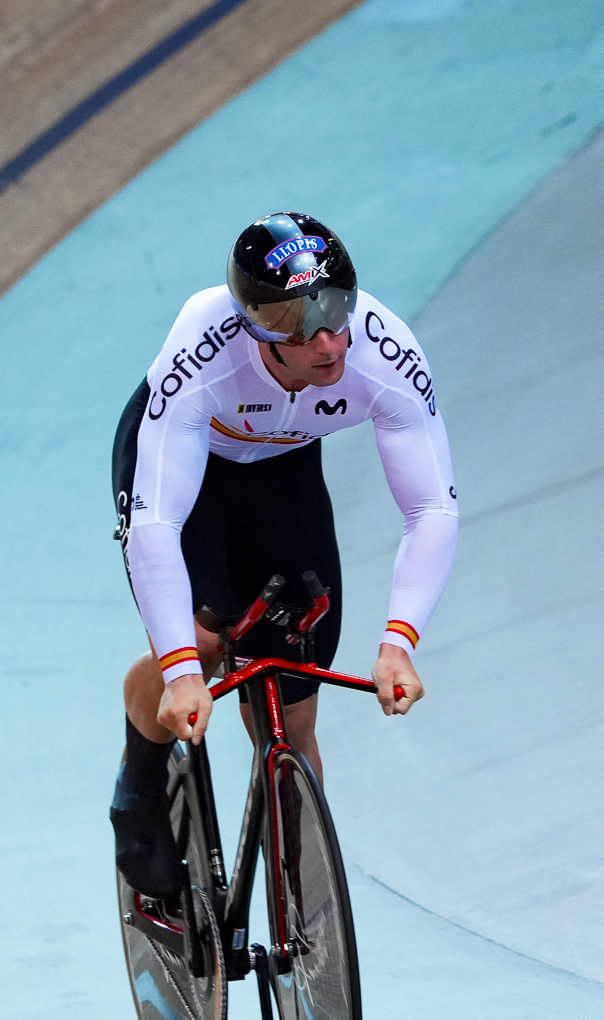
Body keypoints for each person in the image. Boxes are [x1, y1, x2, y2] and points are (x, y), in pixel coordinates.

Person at [110, 212, 457, 904]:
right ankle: (138, 787)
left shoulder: (382, 353)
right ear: (255, 327)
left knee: (295, 706)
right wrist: (182, 674)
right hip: (186, 468)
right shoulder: (202, 353)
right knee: (206, 638)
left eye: (335, 308)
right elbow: (154, 524)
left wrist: (399, 642)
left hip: (281, 470)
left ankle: (307, 916)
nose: (327, 339)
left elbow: (433, 507)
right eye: (299, 323)